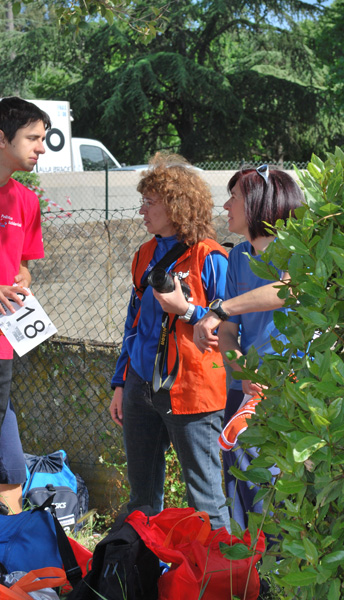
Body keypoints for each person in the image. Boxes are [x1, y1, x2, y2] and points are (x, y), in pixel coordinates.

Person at [109, 152, 230, 530]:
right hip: (139, 385)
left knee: (205, 498)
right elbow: (134, 323)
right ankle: (141, 575)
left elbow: (228, 330)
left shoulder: (211, 258)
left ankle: (222, 582)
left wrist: (187, 309)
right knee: (142, 499)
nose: (142, 211)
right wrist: (120, 383)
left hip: (193, 390)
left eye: (150, 202)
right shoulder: (144, 254)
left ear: (176, 205)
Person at [193, 164, 304, 528]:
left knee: (281, 495)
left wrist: (221, 308)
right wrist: (241, 372)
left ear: (260, 203)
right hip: (244, 392)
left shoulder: (298, 249)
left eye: (234, 197)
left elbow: (283, 291)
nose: (225, 206)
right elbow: (227, 333)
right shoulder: (239, 257)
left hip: (289, 390)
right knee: (243, 492)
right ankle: (252, 579)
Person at [0, 96, 50, 512]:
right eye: (33, 138)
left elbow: (20, 264)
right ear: (1, 138)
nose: (41, 147)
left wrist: (22, 276)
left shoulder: (27, 201)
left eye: (44, 138)